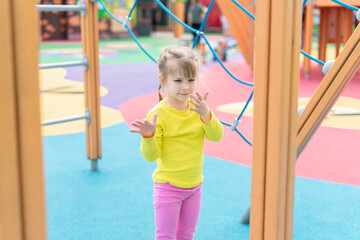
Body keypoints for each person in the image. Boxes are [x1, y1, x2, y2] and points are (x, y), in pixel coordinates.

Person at [130, 46, 223, 240]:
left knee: (186, 235)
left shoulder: (198, 108)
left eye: (191, 80)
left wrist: (207, 115)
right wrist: (147, 136)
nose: (186, 87)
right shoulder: (158, 114)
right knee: (165, 236)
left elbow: (216, 136)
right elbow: (151, 156)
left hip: (194, 186)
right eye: (178, 80)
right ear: (163, 81)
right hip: (168, 187)